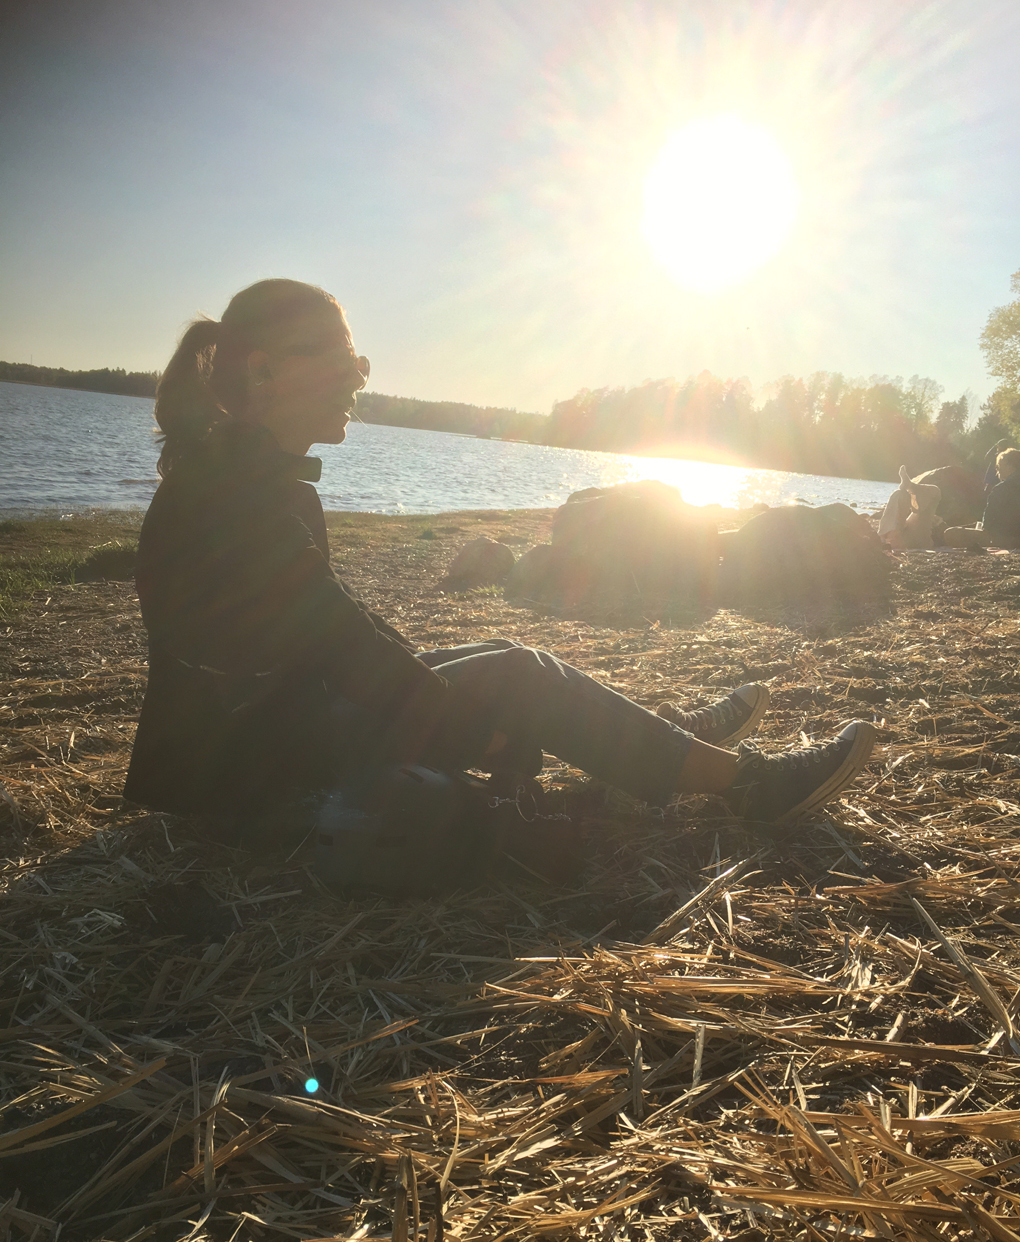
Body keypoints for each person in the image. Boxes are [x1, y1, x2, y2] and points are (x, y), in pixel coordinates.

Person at [124, 278, 877, 844]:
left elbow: (338, 636)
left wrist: (458, 709)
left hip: (263, 735)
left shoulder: (248, 480)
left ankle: (660, 743)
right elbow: (343, 649)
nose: (359, 375)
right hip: (240, 774)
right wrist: (475, 734)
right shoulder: (237, 498)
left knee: (502, 657)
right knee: (512, 676)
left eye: (359, 356)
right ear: (263, 373)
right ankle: (743, 785)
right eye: (343, 357)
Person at [982, 447, 1020, 550]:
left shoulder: (1001, 489)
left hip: (1006, 539)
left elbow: (987, 524)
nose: (996, 472)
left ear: (1009, 466)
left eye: (998, 467)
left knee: (952, 533)